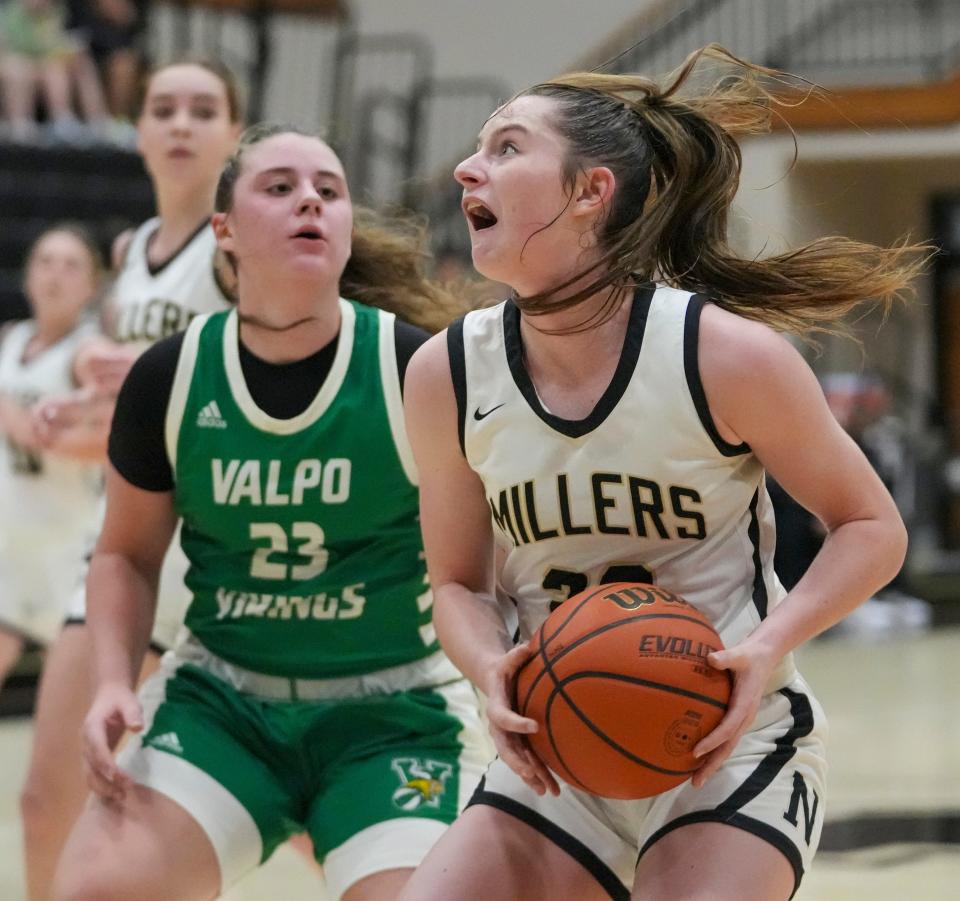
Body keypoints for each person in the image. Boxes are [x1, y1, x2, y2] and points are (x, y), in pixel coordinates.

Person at [396, 45, 927, 901]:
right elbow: (457, 581)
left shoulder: (723, 353)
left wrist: (761, 649)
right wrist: (489, 668)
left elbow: (873, 528)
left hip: (727, 740)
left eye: (506, 147)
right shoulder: (446, 373)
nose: (467, 166)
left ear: (588, 190)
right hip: (555, 751)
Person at [50, 123, 490, 901]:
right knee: (96, 889)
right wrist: (115, 679)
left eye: (329, 189)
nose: (310, 202)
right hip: (224, 704)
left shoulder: (412, 367)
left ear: (349, 227)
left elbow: (487, 558)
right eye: (280, 188)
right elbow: (123, 554)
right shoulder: (171, 377)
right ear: (224, 230)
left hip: (392, 714)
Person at [18, 58, 241, 901]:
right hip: (128, 541)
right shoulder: (129, 254)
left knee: (238, 814)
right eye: (164, 108)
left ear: (231, 133)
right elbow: (131, 427)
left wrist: (145, 369)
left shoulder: (234, 250)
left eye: (203, 109)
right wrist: (69, 423)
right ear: (138, 130)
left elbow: (249, 391)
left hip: (218, 546)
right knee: (47, 800)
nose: (181, 123)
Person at [0, 224, 104, 691]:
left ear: (92, 286)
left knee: (77, 713)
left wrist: (31, 429)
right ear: (26, 277)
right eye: (45, 261)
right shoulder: (11, 340)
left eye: (71, 264)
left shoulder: (88, 353)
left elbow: (108, 438)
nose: (55, 275)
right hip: (12, 544)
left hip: (65, 553)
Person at [0, 0, 109, 142]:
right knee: (16, 69)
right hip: (16, 66)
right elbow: (8, 49)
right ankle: (19, 125)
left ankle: (67, 121)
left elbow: (55, 43)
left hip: (45, 66)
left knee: (57, 70)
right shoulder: (10, 12)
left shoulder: (58, 12)